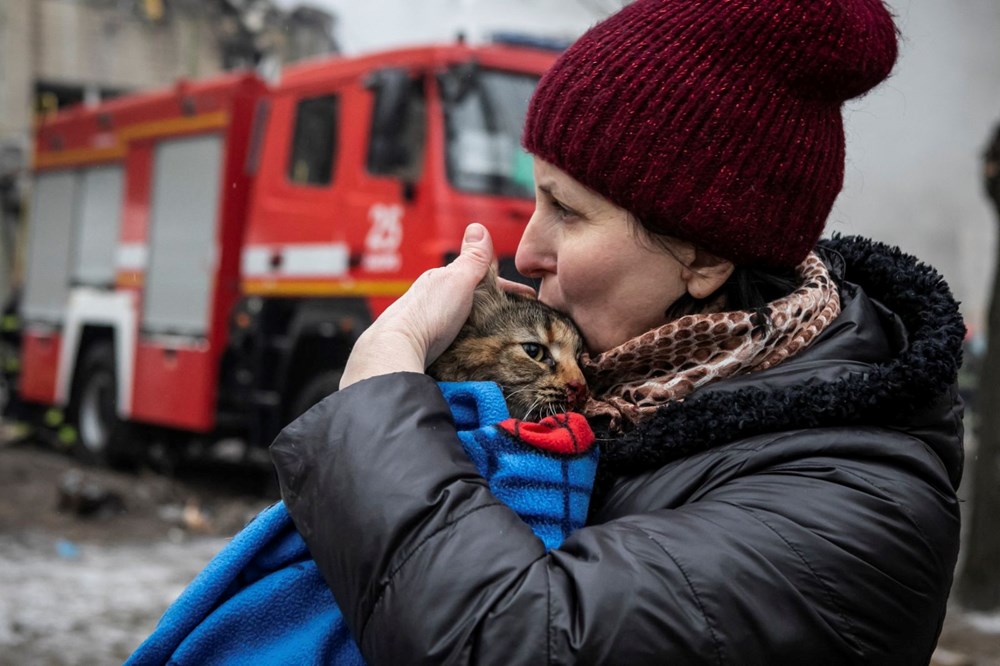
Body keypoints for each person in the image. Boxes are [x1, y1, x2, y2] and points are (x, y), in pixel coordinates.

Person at [270, 0, 965, 662]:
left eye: (567, 211)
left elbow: (511, 639)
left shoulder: (851, 513)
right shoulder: (632, 402)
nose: (530, 250)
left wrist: (380, 396)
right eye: (533, 196)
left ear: (702, 256)